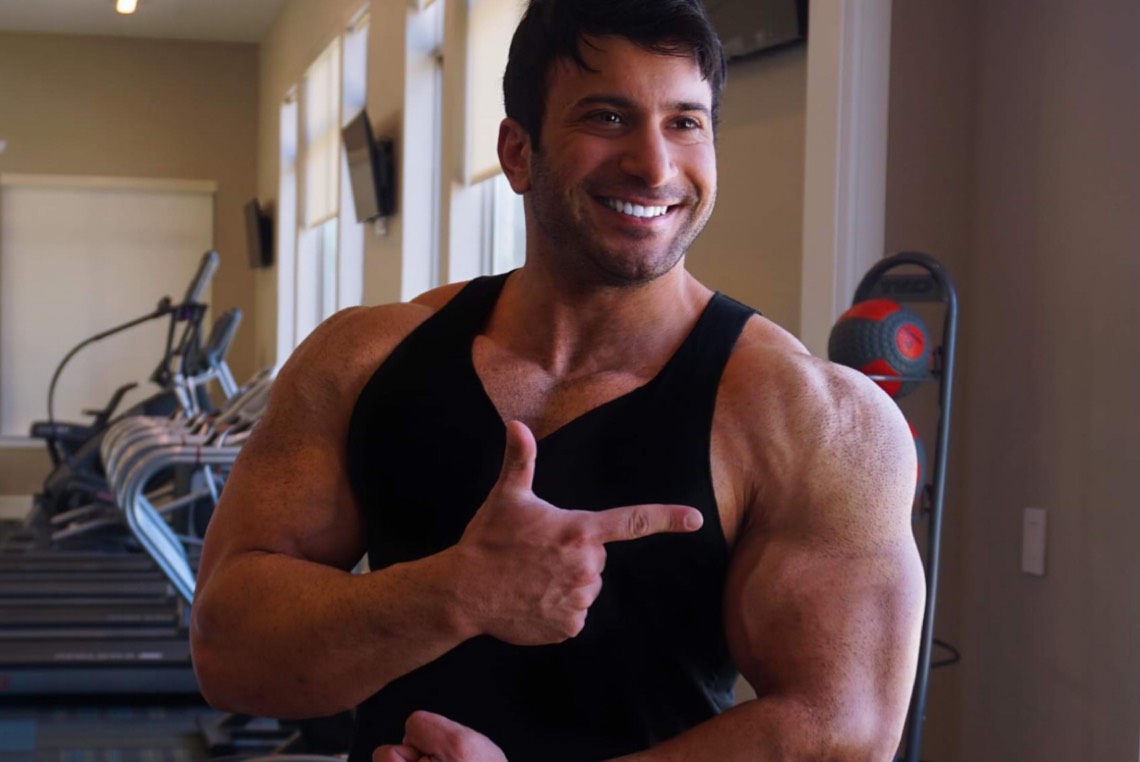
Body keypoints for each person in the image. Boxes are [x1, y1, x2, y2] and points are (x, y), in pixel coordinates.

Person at [190, 0, 925, 759]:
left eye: (685, 122)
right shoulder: (362, 358)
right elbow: (227, 653)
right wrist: (454, 592)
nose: (655, 166)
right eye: (607, 117)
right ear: (518, 152)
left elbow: (843, 730)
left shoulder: (812, 417)